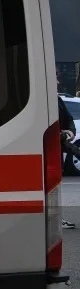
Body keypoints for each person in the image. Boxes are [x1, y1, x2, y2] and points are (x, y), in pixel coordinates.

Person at [61, 97, 77, 229]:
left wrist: (70, 131)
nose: (58, 81)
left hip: (56, 151)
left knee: (54, 188)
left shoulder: (57, 100)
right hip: (41, 151)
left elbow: (69, 119)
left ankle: (55, 219)